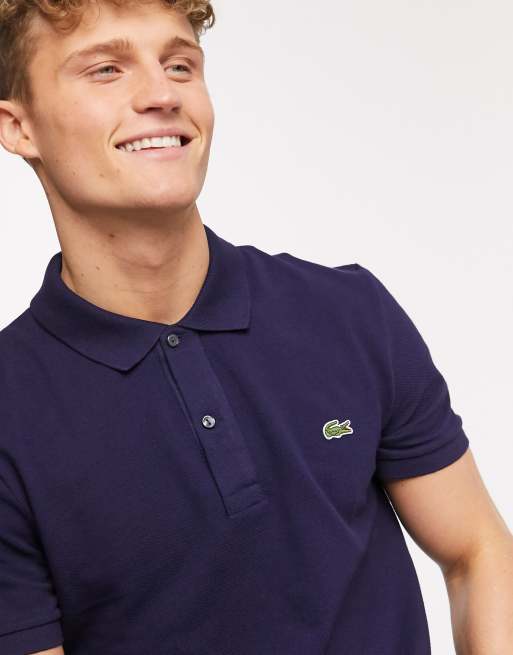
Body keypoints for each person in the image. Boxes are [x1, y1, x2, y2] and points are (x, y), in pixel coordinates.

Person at [0, 1, 511, 654]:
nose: (161, 94)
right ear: (18, 127)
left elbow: (476, 550)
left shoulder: (348, 312)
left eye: (179, 65)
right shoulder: (11, 409)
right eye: (106, 69)